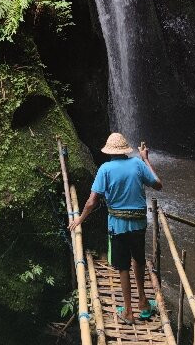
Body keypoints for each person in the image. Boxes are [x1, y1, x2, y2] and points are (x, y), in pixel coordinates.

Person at [69, 133, 163, 325]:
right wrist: (146, 159)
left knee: (122, 267)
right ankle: (143, 303)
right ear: (125, 150)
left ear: (110, 151)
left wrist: (80, 219)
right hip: (138, 224)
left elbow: (92, 201)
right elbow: (158, 184)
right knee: (139, 260)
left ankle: (127, 311)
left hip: (118, 226)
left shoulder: (105, 169)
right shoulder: (138, 164)